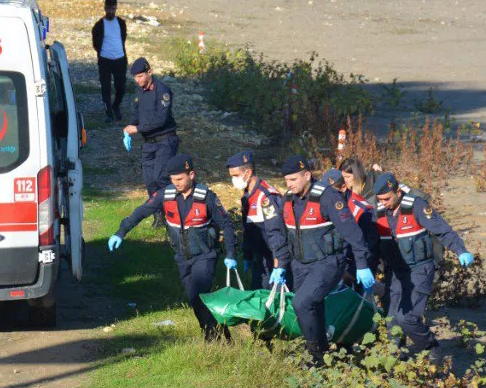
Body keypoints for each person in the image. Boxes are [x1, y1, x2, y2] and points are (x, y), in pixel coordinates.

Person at [108, 154, 238, 342]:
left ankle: (212, 337)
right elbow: (142, 212)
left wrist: (231, 253)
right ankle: (217, 329)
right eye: (172, 179)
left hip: (205, 255)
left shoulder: (206, 197)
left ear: (191, 175)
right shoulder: (165, 195)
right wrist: (121, 231)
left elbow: (226, 224)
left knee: (199, 294)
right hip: (182, 257)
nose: (175, 183)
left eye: (179, 179)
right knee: (193, 298)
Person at [268, 156, 375, 366]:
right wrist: (280, 263)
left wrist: (362, 265)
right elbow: (280, 234)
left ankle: (316, 359)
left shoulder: (327, 197)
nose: (289, 185)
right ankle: (323, 354)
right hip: (300, 264)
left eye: (293, 179)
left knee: (302, 303)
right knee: (311, 308)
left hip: (328, 262)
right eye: (286, 181)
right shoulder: (287, 199)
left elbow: (352, 232)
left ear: (307, 175)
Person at [373, 172, 474, 359]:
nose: (384, 203)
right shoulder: (379, 212)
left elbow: (443, 230)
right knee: (392, 320)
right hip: (395, 273)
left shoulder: (417, 206)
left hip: (419, 270)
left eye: (387, 198)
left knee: (407, 318)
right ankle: (398, 359)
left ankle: (432, 347)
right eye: (380, 199)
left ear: (397, 191)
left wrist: (461, 250)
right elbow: (372, 243)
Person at [122, 57, 178, 207]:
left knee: (161, 178)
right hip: (148, 143)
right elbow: (136, 113)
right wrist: (130, 126)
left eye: (140, 76)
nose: (137, 80)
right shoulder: (139, 91)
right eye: (135, 77)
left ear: (150, 72)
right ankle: (158, 215)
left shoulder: (163, 91)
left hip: (165, 141)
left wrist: (137, 129)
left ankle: (171, 213)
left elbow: (161, 120)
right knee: (150, 181)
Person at [226, 151, 283, 289]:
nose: (233, 180)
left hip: (273, 258)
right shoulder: (247, 197)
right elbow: (248, 230)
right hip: (259, 258)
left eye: (235, 176)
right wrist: (247, 254)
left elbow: (277, 233)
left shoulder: (265, 196)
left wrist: (280, 263)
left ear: (248, 172)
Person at [324, 167, 379, 288]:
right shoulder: (326, 204)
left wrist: (353, 270)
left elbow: (370, 246)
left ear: (343, 188)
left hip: (357, 266)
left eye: (332, 192)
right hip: (335, 264)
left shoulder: (361, 210)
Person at [91, 0, 128, 122]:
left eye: (113, 9)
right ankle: (109, 114)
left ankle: (116, 106)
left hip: (120, 59)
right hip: (105, 60)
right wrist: (103, 53)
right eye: (108, 9)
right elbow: (95, 44)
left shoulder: (121, 23)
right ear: (105, 8)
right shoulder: (98, 25)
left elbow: (123, 38)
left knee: (121, 87)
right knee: (105, 87)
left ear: (116, 8)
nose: (111, 11)